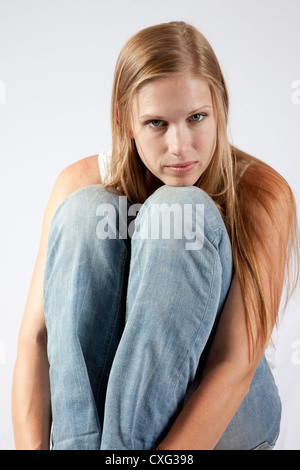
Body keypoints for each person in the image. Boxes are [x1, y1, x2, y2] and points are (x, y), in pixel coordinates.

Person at [11, 21, 300, 450]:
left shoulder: (260, 192)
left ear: (219, 108)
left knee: (178, 210)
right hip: (108, 430)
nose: (180, 146)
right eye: (157, 123)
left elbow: (233, 366)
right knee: (87, 211)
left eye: (197, 117)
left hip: (226, 416)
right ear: (125, 120)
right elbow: (37, 341)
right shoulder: (78, 184)